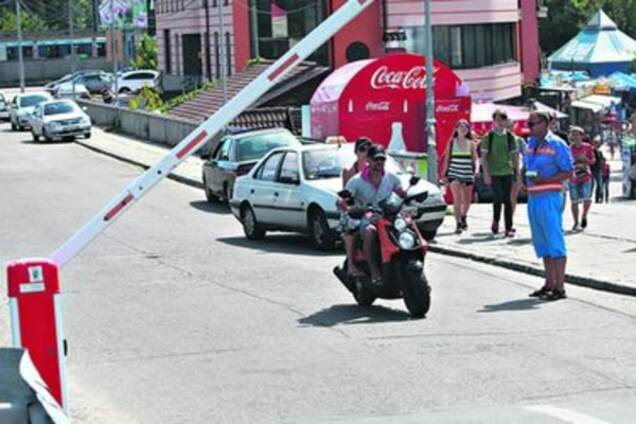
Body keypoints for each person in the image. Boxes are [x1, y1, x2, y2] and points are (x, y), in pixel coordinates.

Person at [524, 111, 574, 301]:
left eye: (533, 124)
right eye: (529, 124)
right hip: (534, 197)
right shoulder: (531, 143)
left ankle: (560, 287)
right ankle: (549, 283)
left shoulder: (557, 144)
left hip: (550, 196)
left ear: (545, 124)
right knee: (542, 243)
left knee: (555, 242)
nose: (530, 128)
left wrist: (546, 179)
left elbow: (568, 171)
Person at [339, 145, 406, 283]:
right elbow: (342, 201)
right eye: (376, 159)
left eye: (382, 159)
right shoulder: (357, 181)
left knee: (406, 227)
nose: (379, 163)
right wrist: (348, 207)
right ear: (368, 160)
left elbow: (401, 193)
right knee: (370, 231)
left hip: (388, 216)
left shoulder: (391, 178)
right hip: (367, 217)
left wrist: (410, 197)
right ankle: (375, 272)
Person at [480, 109, 520, 237]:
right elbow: (484, 157)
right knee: (498, 198)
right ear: (494, 121)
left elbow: (515, 156)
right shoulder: (489, 137)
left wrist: (517, 172)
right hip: (494, 171)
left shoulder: (510, 137)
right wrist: (486, 173)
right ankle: (495, 221)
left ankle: (508, 227)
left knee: (508, 199)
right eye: (498, 120)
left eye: (503, 119)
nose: (501, 122)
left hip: (507, 171)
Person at [340, 137, 372, 276]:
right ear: (356, 152)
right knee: (352, 226)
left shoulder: (375, 169)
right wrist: (353, 207)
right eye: (361, 149)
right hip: (354, 208)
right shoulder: (349, 171)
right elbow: (346, 196)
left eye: (368, 150)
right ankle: (352, 265)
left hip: (371, 208)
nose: (364, 153)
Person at [440, 119, 477, 234]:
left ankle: (464, 215)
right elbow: (447, 159)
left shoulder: (471, 143)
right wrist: (444, 173)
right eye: (460, 127)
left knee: (467, 200)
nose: (463, 129)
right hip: (454, 172)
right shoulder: (452, 142)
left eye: (465, 127)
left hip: (467, 172)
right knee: (457, 198)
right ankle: (458, 223)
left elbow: (474, 160)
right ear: (456, 129)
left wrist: (474, 172)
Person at [568, 126, 596, 231]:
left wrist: (586, 159)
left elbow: (593, 161)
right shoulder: (568, 148)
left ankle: (584, 215)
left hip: (586, 176)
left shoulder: (587, 147)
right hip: (574, 177)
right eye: (573, 135)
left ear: (582, 136)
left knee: (587, 198)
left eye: (577, 134)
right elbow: (565, 163)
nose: (575, 137)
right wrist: (574, 162)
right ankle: (576, 222)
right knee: (574, 201)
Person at [507, 119, 527, 216]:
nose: (508, 128)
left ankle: (509, 219)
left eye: (510, 126)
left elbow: (527, 156)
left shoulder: (519, 140)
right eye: (506, 126)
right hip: (500, 171)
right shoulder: (496, 140)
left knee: (513, 196)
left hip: (516, 171)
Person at [590, 138, 605, 203]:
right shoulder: (591, 150)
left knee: (599, 185)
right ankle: (587, 198)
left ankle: (598, 198)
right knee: (591, 185)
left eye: (598, 143)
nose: (597, 145)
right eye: (596, 143)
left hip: (598, 170)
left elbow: (602, 160)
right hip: (592, 170)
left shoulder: (600, 152)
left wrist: (603, 163)